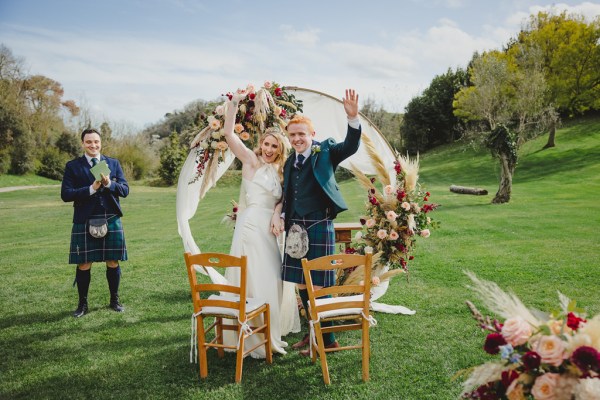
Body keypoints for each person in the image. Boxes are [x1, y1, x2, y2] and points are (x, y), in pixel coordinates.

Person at [280, 89, 361, 355]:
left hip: (318, 225)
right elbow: (288, 193)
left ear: (311, 134)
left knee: (319, 285)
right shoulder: (290, 161)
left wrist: (352, 119)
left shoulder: (325, 149)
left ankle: (328, 340)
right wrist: (282, 216)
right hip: (295, 228)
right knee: (302, 283)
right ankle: (312, 332)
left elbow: (350, 146)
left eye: (301, 134)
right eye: (292, 135)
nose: (297, 139)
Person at [220, 97, 300, 358]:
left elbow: (281, 199)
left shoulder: (280, 170)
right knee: (256, 275)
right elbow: (229, 135)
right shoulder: (250, 162)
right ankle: (252, 335)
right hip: (252, 226)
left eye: (274, 146)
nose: (268, 149)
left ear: (280, 149)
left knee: (274, 277)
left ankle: (269, 330)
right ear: (260, 144)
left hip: (271, 230)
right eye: (266, 143)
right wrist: (232, 106)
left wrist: (278, 212)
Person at [61, 128, 129, 317]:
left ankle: (114, 300)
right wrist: (91, 188)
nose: (93, 145)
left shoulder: (113, 164)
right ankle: (82, 305)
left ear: (101, 142)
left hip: (111, 217)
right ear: (83, 143)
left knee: (113, 261)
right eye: (89, 142)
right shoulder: (73, 166)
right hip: (84, 219)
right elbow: (66, 194)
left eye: (96, 142)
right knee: (84, 263)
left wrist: (109, 184)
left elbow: (125, 190)